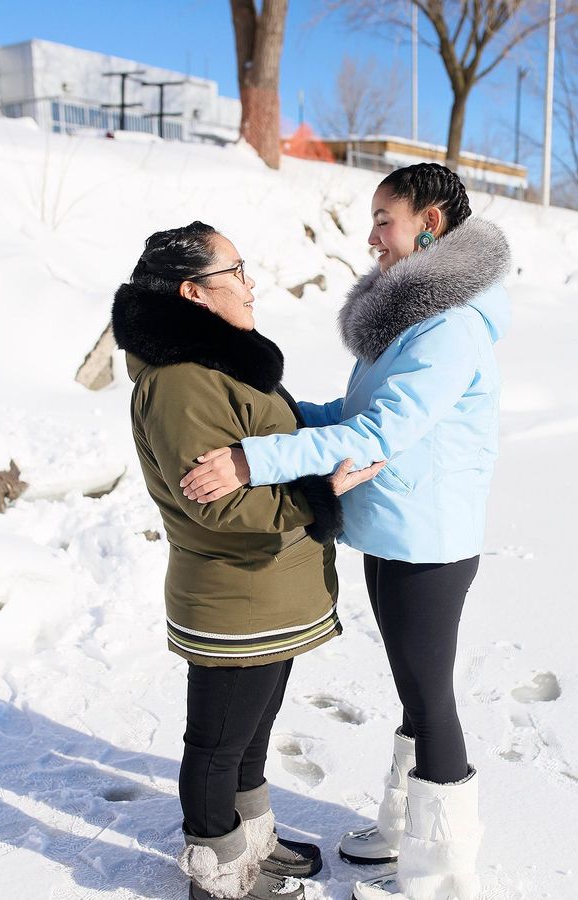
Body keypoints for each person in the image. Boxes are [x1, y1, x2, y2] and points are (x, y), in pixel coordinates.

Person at [179, 164, 512, 900]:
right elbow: (350, 409)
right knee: (412, 691)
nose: (371, 237)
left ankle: (440, 874)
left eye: (383, 219)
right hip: (394, 530)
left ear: (429, 222)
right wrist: (278, 417)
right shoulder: (412, 319)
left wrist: (252, 459)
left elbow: (380, 429)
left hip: (431, 542)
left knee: (431, 699)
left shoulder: (450, 327)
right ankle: (402, 832)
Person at [111, 222, 383, 900]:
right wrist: (321, 493)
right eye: (236, 270)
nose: (251, 282)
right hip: (232, 597)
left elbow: (266, 448)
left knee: (250, 734)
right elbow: (217, 508)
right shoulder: (181, 383)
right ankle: (217, 870)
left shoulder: (220, 364)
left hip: (268, 593)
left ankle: (251, 842)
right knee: (216, 743)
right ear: (193, 292)